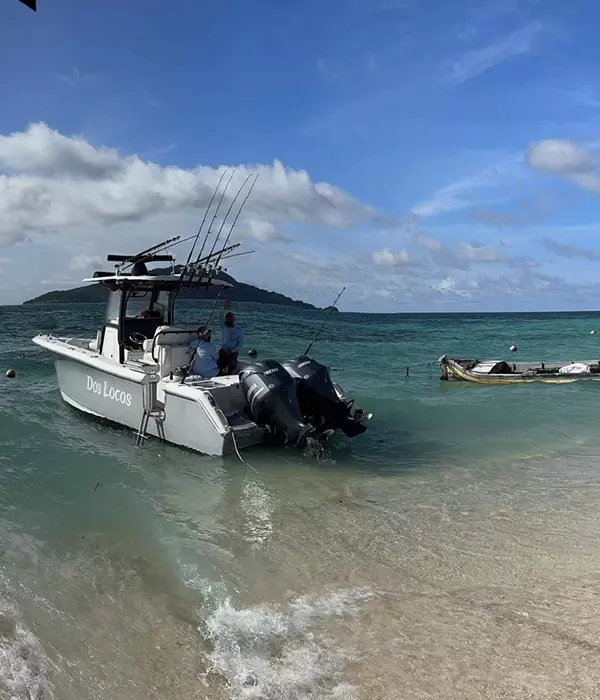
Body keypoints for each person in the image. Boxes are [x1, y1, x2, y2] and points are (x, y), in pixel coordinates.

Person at [218, 300, 244, 375]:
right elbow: (220, 315)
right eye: (227, 318)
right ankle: (220, 373)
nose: (229, 319)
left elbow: (240, 344)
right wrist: (224, 307)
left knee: (232, 363)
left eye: (230, 318)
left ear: (233, 320)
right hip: (223, 350)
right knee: (219, 362)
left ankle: (229, 373)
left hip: (233, 351)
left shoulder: (239, 330)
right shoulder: (224, 327)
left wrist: (231, 351)